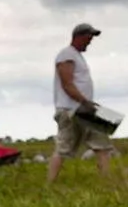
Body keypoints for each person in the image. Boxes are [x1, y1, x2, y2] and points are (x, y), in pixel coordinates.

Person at [47, 23, 113, 183]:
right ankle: (49, 183)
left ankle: (106, 180)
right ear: (79, 37)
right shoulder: (66, 55)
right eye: (88, 38)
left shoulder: (76, 56)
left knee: (102, 143)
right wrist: (85, 101)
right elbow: (67, 83)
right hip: (72, 109)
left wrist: (89, 103)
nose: (90, 41)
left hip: (84, 107)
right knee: (63, 148)